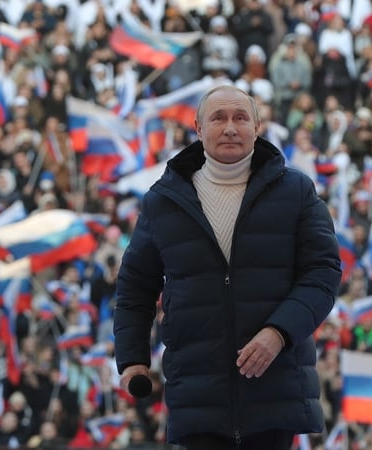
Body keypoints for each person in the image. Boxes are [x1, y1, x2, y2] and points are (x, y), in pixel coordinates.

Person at [113, 85, 341, 450]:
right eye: (218, 118)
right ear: (199, 129)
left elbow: (323, 273)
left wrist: (278, 333)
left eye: (240, 117)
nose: (230, 127)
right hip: (197, 395)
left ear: (257, 126)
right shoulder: (162, 201)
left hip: (274, 388)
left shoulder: (296, 191)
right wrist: (132, 359)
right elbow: (134, 288)